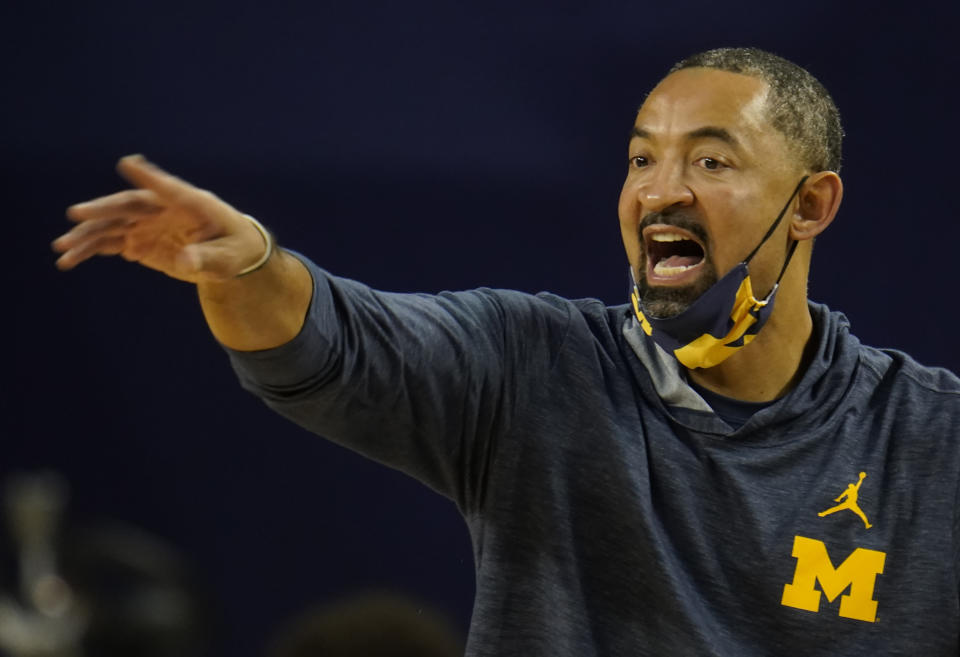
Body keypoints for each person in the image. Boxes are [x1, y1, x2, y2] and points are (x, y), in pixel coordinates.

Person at [52, 47, 960, 655]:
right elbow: (337, 341)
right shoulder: (536, 367)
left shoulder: (932, 438)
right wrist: (249, 266)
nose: (660, 190)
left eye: (711, 162)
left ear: (810, 205)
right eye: (642, 159)